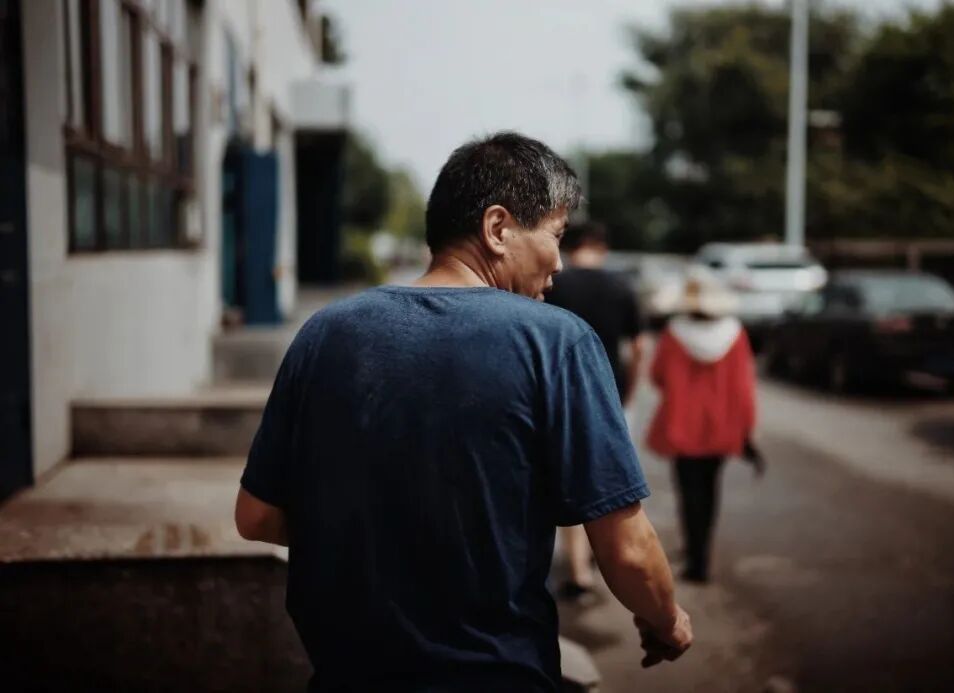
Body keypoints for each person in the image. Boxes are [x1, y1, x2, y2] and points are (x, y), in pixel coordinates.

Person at [234, 132, 692, 691]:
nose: (558, 264)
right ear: (498, 228)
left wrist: (381, 542)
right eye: (555, 236)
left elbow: (256, 517)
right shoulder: (555, 342)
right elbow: (627, 549)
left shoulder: (323, 334)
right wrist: (666, 620)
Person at [544, 221, 646, 601]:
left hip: (561, 391)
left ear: (572, 247)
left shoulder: (555, 284)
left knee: (567, 479)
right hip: (609, 391)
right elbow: (638, 348)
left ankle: (579, 572)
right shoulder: (621, 286)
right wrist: (629, 392)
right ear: (602, 248)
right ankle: (611, 561)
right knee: (608, 482)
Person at [647, 272, 759, 583]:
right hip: (720, 427)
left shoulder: (674, 333)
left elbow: (657, 376)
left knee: (688, 493)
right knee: (710, 492)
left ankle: (694, 556)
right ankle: (702, 553)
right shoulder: (736, 334)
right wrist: (747, 429)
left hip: (681, 425)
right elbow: (744, 387)